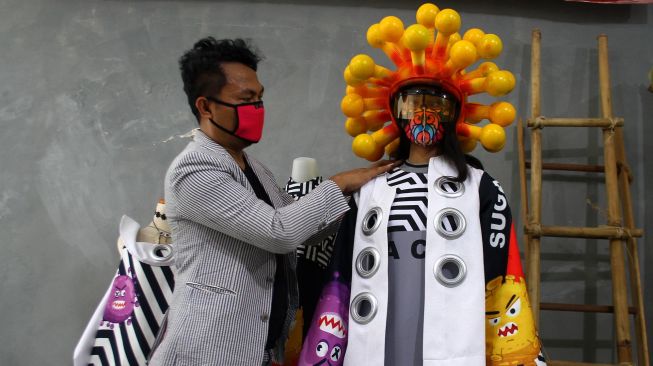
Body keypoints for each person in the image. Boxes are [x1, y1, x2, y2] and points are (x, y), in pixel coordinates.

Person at [298, 4, 545, 366]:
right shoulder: (370, 187)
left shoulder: (480, 187)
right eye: (412, 105)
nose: (423, 116)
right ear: (395, 113)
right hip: (383, 301)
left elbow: (500, 272)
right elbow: (343, 268)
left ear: (455, 115)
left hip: (452, 312)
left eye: (437, 106)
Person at [147, 37, 398, 366]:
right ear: (205, 107)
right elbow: (278, 232)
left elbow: (303, 233)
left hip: (259, 351)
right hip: (207, 350)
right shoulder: (194, 169)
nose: (257, 108)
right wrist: (338, 184)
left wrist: (357, 198)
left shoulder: (255, 169)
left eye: (260, 98)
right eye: (245, 99)